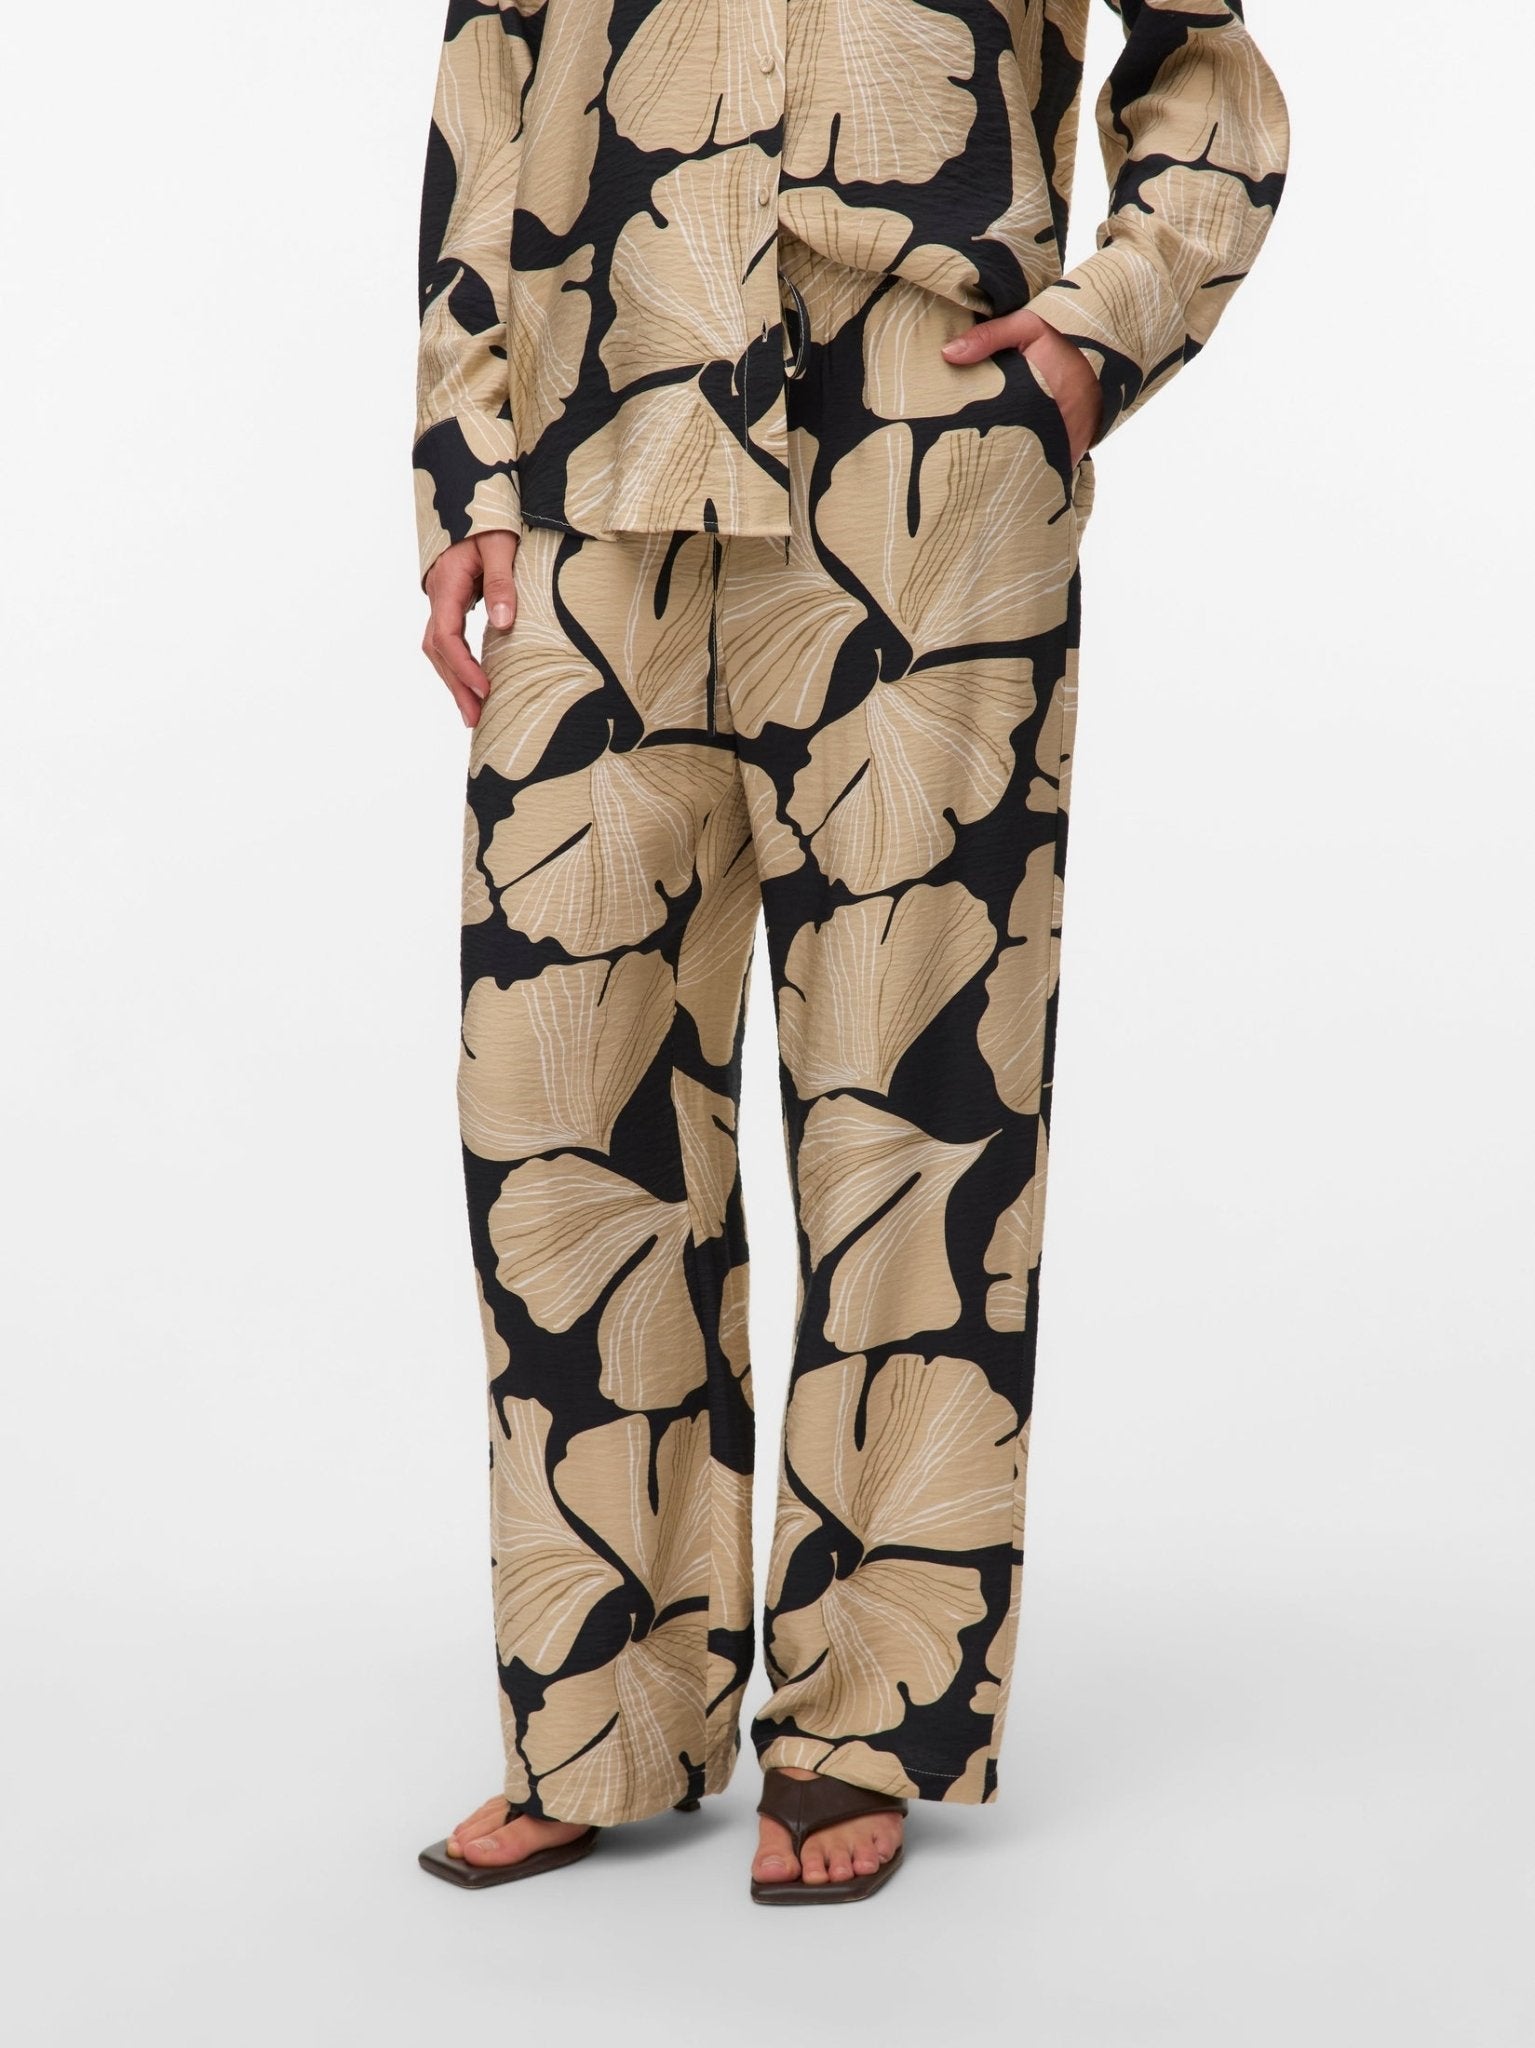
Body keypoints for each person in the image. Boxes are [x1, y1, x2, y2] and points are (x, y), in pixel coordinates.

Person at [412, 0, 1288, 1905]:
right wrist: (463, 468)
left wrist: (1105, 326)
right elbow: (490, 83)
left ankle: (863, 1721)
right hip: (595, 446)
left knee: (914, 1102)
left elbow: (1206, 75)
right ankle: (600, 1715)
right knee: (564, 1106)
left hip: (927, 452)